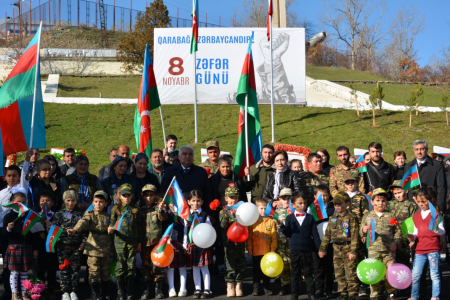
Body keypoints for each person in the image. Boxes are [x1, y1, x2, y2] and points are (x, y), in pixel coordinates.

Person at [68, 191, 114, 300]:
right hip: (93, 248)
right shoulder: (89, 214)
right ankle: (95, 294)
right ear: (93, 203)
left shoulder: (108, 216)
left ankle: (105, 293)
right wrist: (75, 230)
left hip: (106, 249)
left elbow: (114, 226)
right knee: (94, 271)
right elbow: (82, 222)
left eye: (101, 202)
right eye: (96, 202)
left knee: (105, 272)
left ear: (106, 203)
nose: (98, 204)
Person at [0, 149, 32, 300]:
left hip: (19, 232)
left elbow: (25, 175)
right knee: (9, 266)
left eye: (15, 176)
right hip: (3, 229)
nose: (12, 178)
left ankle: (22, 291)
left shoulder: (21, 190)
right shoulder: (1, 194)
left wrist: (26, 159)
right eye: (9, 176)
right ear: (5, 177)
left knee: (20, 267)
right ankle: (9, 291)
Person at [278, 192, 320, 300]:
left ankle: (311, 293)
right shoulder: (289, 218)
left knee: (308, 272)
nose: (302, 205)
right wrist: (282, 226)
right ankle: (294, 294)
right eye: (300, 203)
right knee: (295, 272)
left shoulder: (310, 218)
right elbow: (288, 234)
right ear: (292, 205)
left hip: (307, 249)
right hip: (294, 249)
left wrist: (320, 248)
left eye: (304, 203)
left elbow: (315, 234)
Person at [360, 188, 401, 300]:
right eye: (378, 200)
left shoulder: (391, 215)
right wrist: (363, 231)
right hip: (373, 249)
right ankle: (374, 293)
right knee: (374, 272)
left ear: (386, 202)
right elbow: (361, 231)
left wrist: (395, 243)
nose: (381, 203)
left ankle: (391, 292)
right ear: (372, 202)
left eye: (383, 201)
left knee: (390, 271)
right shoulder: (367, 216)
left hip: (389, 250)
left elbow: (398, 231)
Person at [318, 192, 359, 300]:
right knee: (339, 273)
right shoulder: (332, 218)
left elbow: (355, 236)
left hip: (348, 247)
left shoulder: (351, 218)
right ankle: (343, 293)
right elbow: (327, 235)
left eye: (339, 204)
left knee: (350, 272)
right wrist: (322, 249)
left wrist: (353, 251)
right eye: (335, 204)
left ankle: (352, 294)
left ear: (347, 204)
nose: (337, 206)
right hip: (336, 248)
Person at [408, 187, 446, 300]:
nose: (421, 204)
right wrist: (412, 238)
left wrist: (437, 230)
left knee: (434, 275)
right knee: (415, 274)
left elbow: (443, 230)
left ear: (431, 200)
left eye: (424, 202)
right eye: (419, 202)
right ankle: (414, 295)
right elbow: (415, 232)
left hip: (433, 249)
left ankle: (435, 296)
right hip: (420, 249)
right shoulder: (415, 216)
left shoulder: (437, 215)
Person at [107, 184, 142, 300]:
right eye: (124, 195)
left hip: (132, 241)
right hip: (119, 241)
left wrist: (140, 242)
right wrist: (110, 227)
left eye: (128, 195)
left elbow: (139, 227)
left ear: (132, 196)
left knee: (131, 265)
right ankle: (120, 292)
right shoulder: (115, 209)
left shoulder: (136, 210)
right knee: (120, 264)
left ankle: (130, 292)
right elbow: (112, 222)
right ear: (119, 196)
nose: (126, 198)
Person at [2, 188, 37, 300]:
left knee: (24, 272)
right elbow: (4, 234)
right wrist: (8, 228)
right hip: (14, 246)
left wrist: (35, 248)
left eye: (24, 202)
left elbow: (32, 234)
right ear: (13, 203)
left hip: (26, 246)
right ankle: (14, 294)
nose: (22, 204)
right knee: (14, 272)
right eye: (19, 202)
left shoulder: (28, 216)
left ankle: (24, 292)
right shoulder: (9, 216)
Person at [51, 189, 85, 300]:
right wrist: (65, 231)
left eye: (73, 200)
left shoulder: (80, 214)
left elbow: (84, 230)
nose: (70, 203)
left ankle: (73, 291)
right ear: (64, 200)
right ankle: (65, 291)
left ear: (77, 201)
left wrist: (83, 242)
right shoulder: (59, 214)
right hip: (62, 246)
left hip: (76, 247)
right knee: (64, 270)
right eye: (68, 200)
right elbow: (54, 229)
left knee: (75, 271)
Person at [161, 146, 212, 210]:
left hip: (197, 211)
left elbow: (207, 193)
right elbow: (164, 191)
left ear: (193, 157)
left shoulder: (201, 172)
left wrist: (209, 213)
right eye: (184, 154)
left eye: (190, 154)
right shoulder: (170, 171)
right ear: (179, 156)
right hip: (176, 210)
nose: (187, 156)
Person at [307, 185, 335, 299]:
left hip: (330, 242)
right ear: (315, 196)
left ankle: (329, 289)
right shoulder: (311, 209)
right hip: (316, 242)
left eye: (325, 195)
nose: (323, 198)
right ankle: (319, 288)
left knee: (329, 267)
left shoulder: (332, 209)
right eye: (320, 195)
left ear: (328, 196)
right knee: (318, 266)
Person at [139, 184, 166, 300]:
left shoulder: (158, 209)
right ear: (142, 196)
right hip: (144, 243)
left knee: (157, 267)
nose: (148, 198)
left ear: (155, 196)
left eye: (151, 195)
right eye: (146, 195)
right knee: (145, 267)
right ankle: (146, 289)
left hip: (156, 244)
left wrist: (160, 209)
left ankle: (158, 289)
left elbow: (163, 218)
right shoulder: (139, 210)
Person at [404, 140, 447, 212]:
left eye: (422, 149)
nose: (419, 152)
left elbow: (442, 187)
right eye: (416, 149)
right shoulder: (409, 166)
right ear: (413, 150)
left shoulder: (437, 165)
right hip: (414, 206)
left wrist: (440, 206)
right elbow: (407, 187)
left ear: (426, 149)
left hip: (432, 205)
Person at [219, 185, 246, 297]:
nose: (233, 199)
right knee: (229, 263)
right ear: (226, 198)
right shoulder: (223, 211)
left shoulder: (242, 209)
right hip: (229, 242)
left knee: (241, 262)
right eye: (231, 197)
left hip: (240, 241)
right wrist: (226, 216)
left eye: (235, 197)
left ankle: (239, 284)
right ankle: (230, 284)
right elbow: (223, 225)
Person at [247, 199, 277, 296]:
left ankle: (267, 288)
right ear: (256, 209)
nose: (263, 210)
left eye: (265, 208)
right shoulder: (252, 222)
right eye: (261, 208)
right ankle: (256, 289)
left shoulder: (271, 222)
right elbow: (249, 237)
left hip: (267, 252)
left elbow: (274, 236)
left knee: (266, 272)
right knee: (256, 272)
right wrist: (249, 248)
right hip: (256, 251)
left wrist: (273, 248)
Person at [187, 190, 213, 299]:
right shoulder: (186, 215)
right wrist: (185, 244)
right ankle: (197, 289)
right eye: (193, 201)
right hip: (192, 244)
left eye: (198, 201)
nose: (196, 203)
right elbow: (185, 230)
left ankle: (207, 289)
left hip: (203, 244)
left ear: (202, 202)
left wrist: (207, 241)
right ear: (188, 202)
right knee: (195, 267)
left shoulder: (205, 214)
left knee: (204, 267)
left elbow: (209, 228)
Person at [388, 180, 418, 268]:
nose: (398, 195)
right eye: (395, 193)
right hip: (392, 238)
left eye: (400, 192)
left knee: (405, 262)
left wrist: (412, 238)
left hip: (405, 238)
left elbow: (415, 221)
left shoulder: (411, 205)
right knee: (392, 262)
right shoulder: (390, 204)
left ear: (406, 191)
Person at [35, 191, 58, 300]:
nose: (45, 203)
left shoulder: (56, 216)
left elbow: (59, 231)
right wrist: (40, 235)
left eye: (48, 201)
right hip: (40, 247)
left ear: (52, 203)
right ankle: (41, 290)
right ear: (39, 203)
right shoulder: (36, 216)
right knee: (40, 269)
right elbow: (32, 233)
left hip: (52, 247)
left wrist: (51, 227)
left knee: (52, 269)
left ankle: (51, 289)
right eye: (42, 201)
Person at [165, 198, 189, 298]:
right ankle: (171, 288)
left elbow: (185, 230)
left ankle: (183, 288)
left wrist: (185, 243)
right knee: (170, 267)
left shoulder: (183, 215)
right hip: (169, 243)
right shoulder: (166, 215)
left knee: (182, 266)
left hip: (180, 243)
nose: (173, 205)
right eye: (171, 203)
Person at [275, 188, 293, 296]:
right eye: (284, 199)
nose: (287, 201)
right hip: (281, 244)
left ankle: (295, 286)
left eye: (289, 198)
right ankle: (284, 286)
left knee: (293, 265)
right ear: (280, 200)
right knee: (283, 265)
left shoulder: (296, 212)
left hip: (292, 243)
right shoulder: (276, 213)